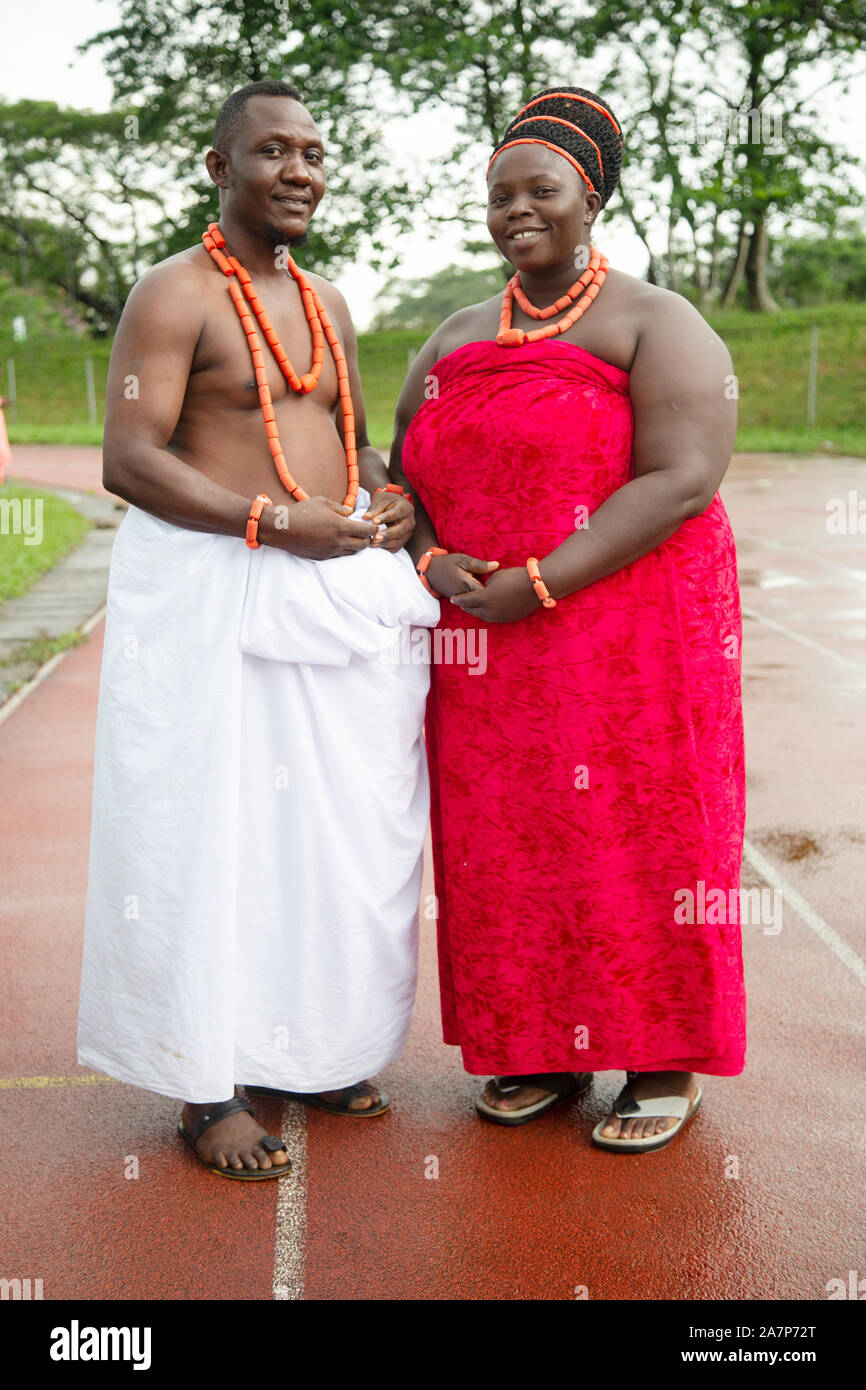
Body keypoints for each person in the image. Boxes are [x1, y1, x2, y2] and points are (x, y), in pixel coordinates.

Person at [77, 80, 438, 1179]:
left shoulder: (328, 300)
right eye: (273, 151)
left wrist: (389, 501)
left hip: (332, 591)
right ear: (217, 168)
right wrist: (270, 521)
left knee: (328, 839)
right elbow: (127, 459)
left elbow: (357, 443)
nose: (299, 171)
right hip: (211, 590)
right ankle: (204, 1082)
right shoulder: (171, 292)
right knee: (206, 835)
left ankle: (315, 1044)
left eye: (315, 154)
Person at [391, 86, 746, 1152]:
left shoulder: (654, 319)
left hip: (630, 634)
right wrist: (426, 552)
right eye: (498, 193)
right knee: (509, 843)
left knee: (641, 836)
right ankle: (539, 1048)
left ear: (588, 199)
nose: (514, 209)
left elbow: (682, 477)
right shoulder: (454, 332)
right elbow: (400, 470)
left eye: (539, 188)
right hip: (486, 648)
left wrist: (538, 580)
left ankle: (659, 1058)